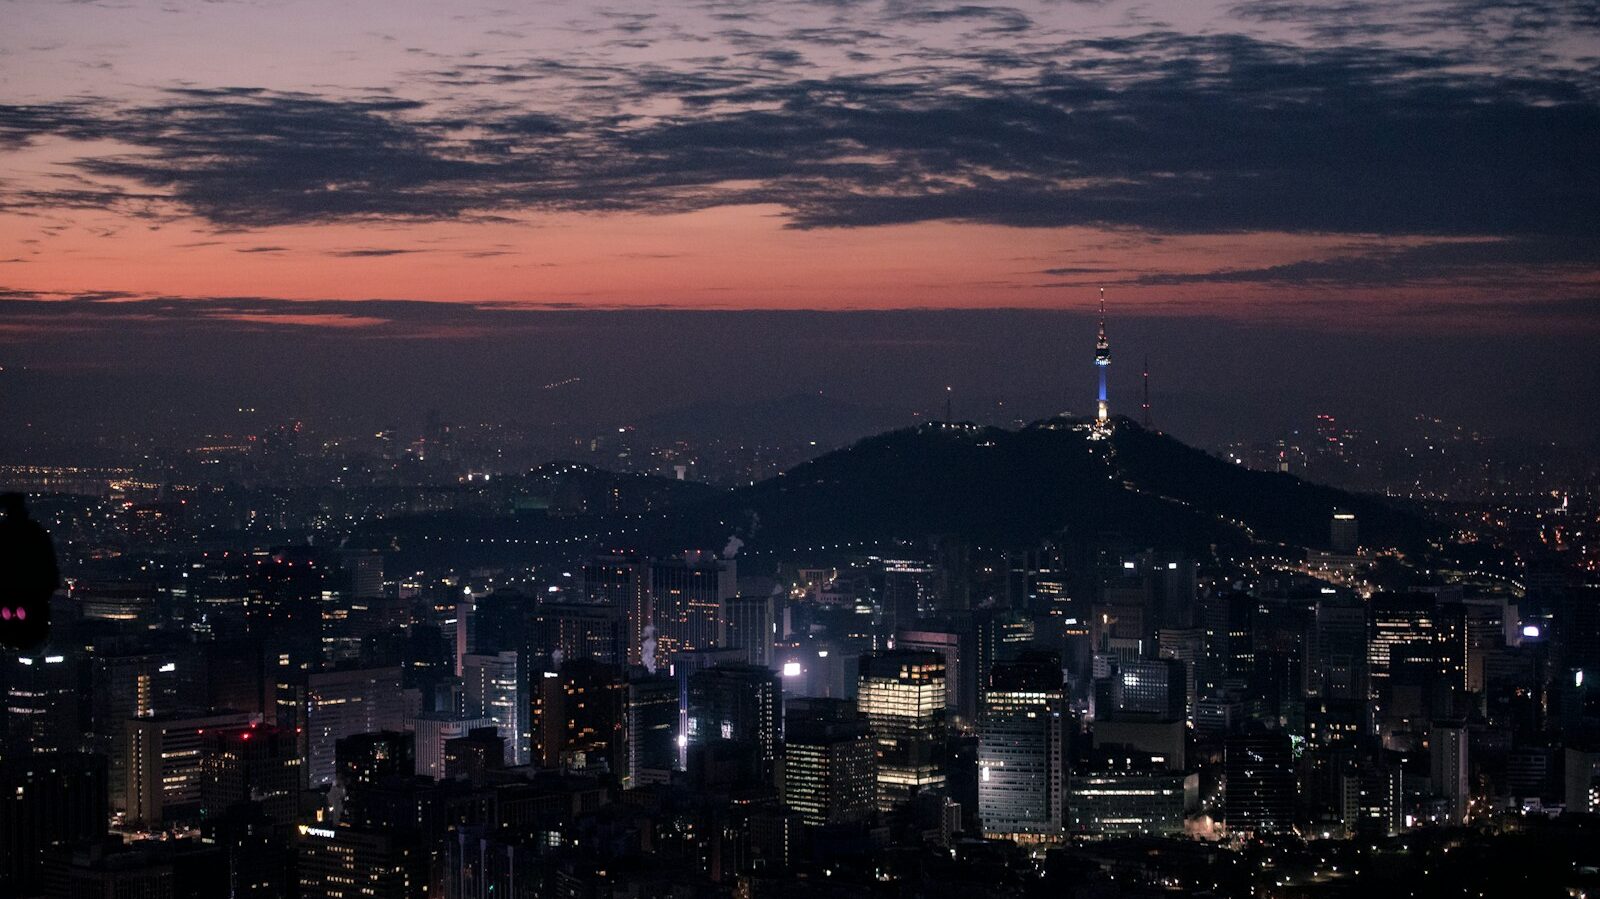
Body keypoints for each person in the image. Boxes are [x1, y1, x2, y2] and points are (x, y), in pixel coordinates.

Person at [0, 493, 57, 650]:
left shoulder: (4, 532)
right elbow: (49, 566)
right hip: (31, 595)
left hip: (11, 593)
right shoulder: (35, 532)